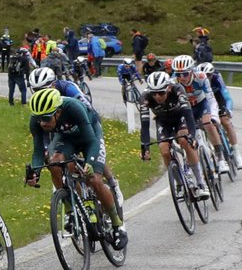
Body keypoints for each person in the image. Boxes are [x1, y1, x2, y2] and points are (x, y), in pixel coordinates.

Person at [24, 88, 128, 249]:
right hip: (66, 137)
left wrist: (90, 163)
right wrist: (35, 173)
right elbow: (38, 151)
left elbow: (91, 141)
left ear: (58, 112)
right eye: (39, 119)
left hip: (89, 132)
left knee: (94, 178)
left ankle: (117, 224)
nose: (42, 123)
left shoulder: (73, 107)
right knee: (54, 162)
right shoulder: (37, 120)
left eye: (46, 118)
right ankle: (70, 209)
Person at [139, 71, 210, 199]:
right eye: (154, 93)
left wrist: (192, 137)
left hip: (180, 116)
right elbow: (144, 124)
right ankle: (179, 184)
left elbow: (188, 115)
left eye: (161, 93)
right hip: (163, 120)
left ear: (168, 88)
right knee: (164, 150)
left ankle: (200, 182)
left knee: (184, 140)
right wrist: (145, 148)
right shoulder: (144, 97)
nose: (157, 97)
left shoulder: (178, 89)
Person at [171, 55, 230, 174]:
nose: (182, 78)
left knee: (208, 124)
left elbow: (211, 98)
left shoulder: (201, 77)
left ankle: (221, 159)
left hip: (201, 104)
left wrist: (214, 116)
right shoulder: (172, 82)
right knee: (183, 135)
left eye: (185, 74)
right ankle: (188, 162)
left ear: (192, 71)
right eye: (178, 74)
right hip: (186, 108)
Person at [196, 62, 242, 169]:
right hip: (205, 100)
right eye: (204, 75)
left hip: (218, 98)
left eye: (209, 75)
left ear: (212, 74)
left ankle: (237, 154)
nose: (207, 77)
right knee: (208, 124)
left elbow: (227, 97)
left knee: (225, 121)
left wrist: (228, 110)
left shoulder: (217, 78)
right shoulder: (199, 80)